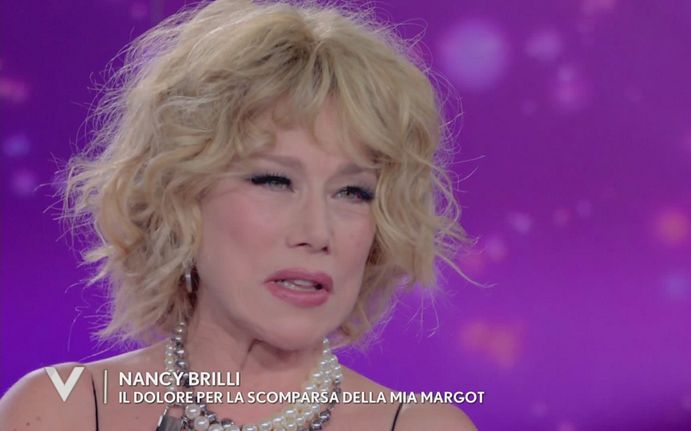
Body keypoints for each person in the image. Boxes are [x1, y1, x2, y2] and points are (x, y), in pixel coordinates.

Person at [0, 0, 478, 429]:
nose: (317, 232)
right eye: (274, 181)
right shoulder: (62, 411)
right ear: (181, 196)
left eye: (353, 192)